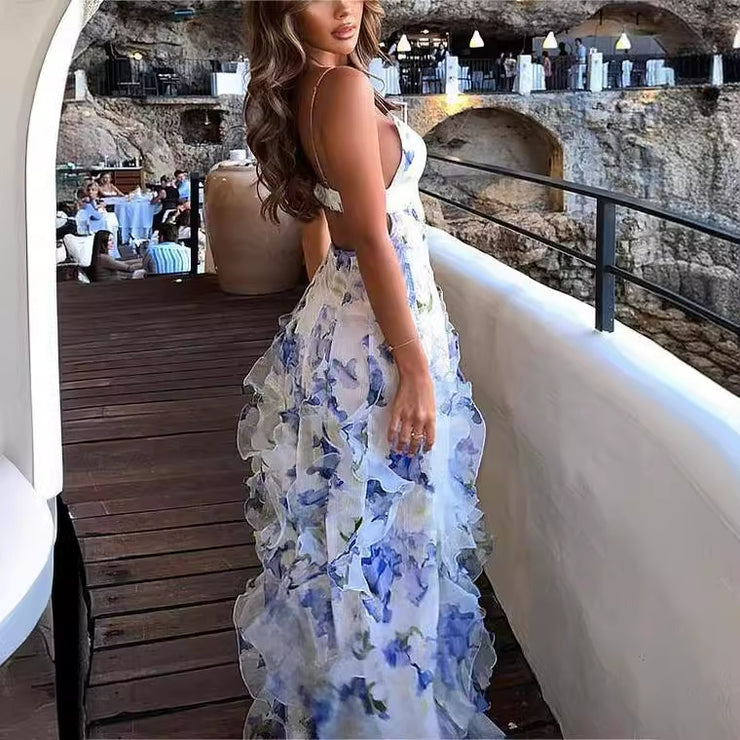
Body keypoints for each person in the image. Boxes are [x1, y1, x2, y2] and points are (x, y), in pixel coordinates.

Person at [234, 3, 503, 739]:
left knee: (351, 535)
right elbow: (375, 239)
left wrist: (333, 314)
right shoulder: (344, 88)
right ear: (283, 9)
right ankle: (392, 719)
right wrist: (414, 368)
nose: (343, 7)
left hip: (349, 327)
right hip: (381, 344)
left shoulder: (310, 87)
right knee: (392, 535)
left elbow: (322, 229)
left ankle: (360, 712)